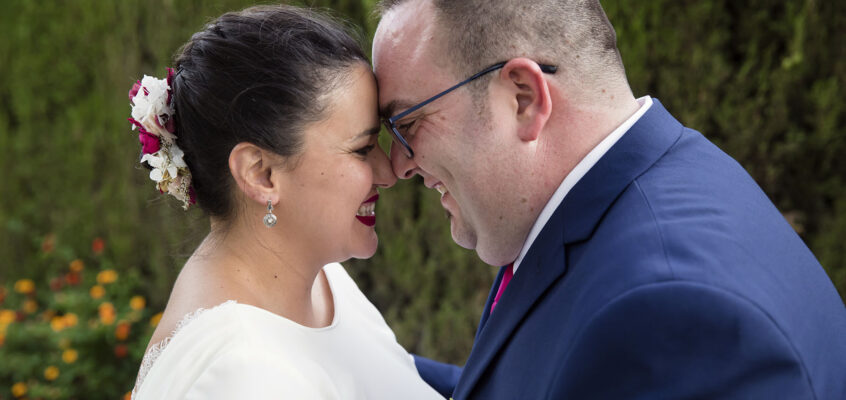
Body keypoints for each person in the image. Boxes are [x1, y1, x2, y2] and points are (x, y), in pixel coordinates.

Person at [372, 0, 846, 398]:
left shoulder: (669, 313)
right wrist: (348, 357)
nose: (398, 165)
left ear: (522, 98)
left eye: (407, 124)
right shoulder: (628, 189)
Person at [127, 5, 442, 399]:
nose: (389, 172)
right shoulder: (241, 376)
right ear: (261, 174)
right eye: (362, 148)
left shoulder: (324, 282)